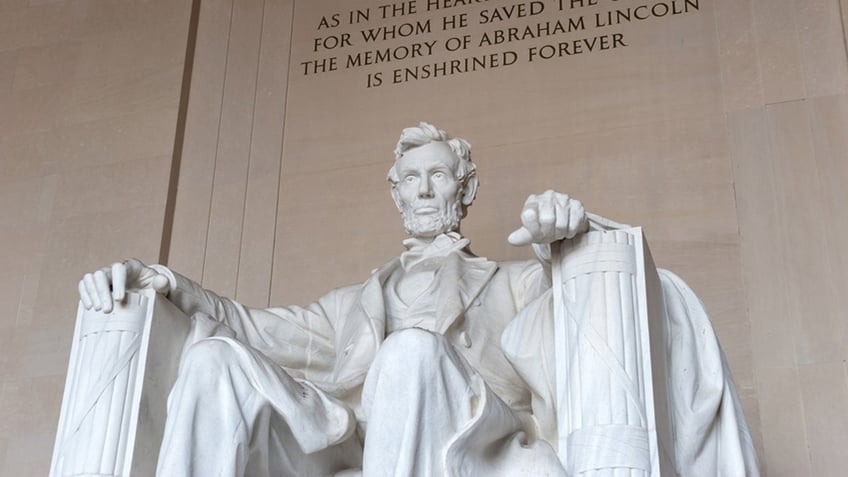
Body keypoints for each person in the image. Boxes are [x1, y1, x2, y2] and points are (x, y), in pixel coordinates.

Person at [79, 122, 759, 476]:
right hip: (361, 447)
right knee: (213, 361)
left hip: (477, 446)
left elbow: (587, 318)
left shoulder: (514, 281)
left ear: (466, 190)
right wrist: (166, 283)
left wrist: (568, 238)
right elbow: (251, 326)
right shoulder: (355, 304)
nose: (426, 189)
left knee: (408, 353)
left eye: (439, 175)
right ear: (396, 193)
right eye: (412, 178)